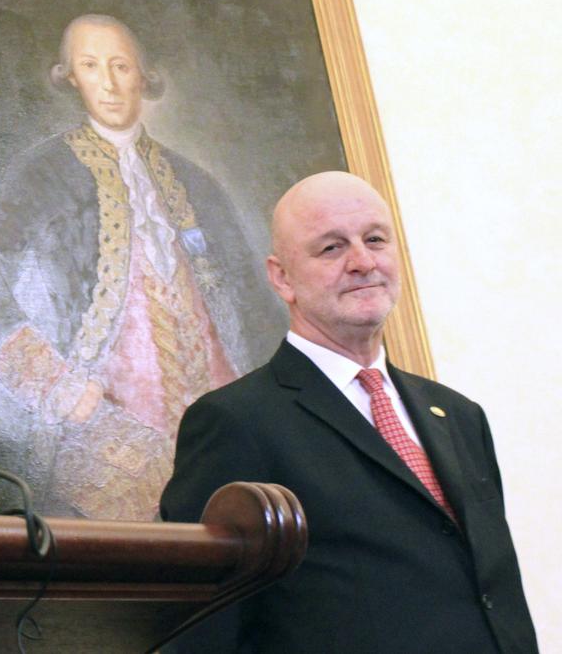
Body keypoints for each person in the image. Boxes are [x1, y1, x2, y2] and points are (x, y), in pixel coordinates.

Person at [160, 171, 537, 652]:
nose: (363, 262)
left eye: (375, 239)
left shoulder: (460, 415)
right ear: (282, 277)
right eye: (332, 248)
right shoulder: (235, 422)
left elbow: (492, 593)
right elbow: (201, 628)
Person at [0, 13, 284, 519]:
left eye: (121, 67)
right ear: (70, 76)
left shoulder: (193, 178)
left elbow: (250, 295)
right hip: (107, 419)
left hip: (215, 404)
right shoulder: (44, 170)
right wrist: (54, 382)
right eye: (91, 67)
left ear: (142, 75)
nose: (109, 84)